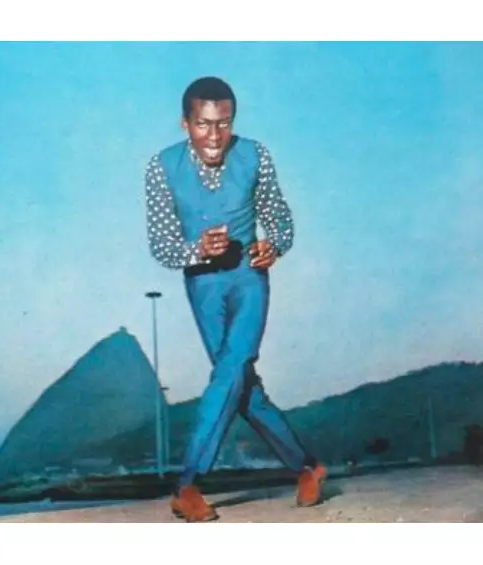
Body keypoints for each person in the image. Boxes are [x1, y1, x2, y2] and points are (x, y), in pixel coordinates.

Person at [143, 76, 326, 522]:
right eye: (203, 124)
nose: (214, 136)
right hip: (202, 283)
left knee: (231, 367)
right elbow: (162, 246)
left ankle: (187, 484)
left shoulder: (255, 154)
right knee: (242, 386)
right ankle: (307, 466)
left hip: (248, 277)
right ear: (185, 124)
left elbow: (279, 219)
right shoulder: (160, 167)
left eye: (223, 124)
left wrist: (273, 246)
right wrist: (197, 250)